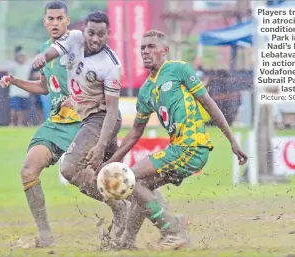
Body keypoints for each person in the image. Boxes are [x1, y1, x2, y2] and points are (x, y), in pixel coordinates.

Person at [98, 30, 248, 250]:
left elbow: (209, 103)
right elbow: (135, 132)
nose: (146, 51)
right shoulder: (146, 89)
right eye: (143, 48)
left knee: (132, 179)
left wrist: (232, 140)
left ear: (164, 50)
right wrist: (112, 162)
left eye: (151, 46)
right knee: (142, 184)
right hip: (178, 148)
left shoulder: (178, 69)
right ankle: (127, 242)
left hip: (192, 146)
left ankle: (173, 230)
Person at [32, 11, 129, 246]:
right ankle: (166, 219)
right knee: (115, 174)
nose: (95, 39)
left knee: (70, 168)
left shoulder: (111, 64)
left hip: (102, 120)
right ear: (83, 30)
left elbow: (112, 110)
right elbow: (52, 51)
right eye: (91, 33)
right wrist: (42, 57)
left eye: (101, 34)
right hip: (88, 118)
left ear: (109, 34)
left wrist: (101, 144)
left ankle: (118, 206)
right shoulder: (73, 39)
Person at [0, 1, 81, 248]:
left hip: (85, 122)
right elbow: (45, 87)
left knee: (97, 180)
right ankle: (45, 236)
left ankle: (132, 212)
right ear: (45, 22)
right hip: (57, 123)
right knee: (28, 170)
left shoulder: (78, 45)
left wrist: (82, 98)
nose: (55, 23)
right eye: (50, 19)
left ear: (68, 20)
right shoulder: (46, 49)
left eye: (59, 18)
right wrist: (16, 82)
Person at [8, 46, 32, 127]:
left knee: (23, 109)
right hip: (15, 91)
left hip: (24, 91)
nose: (22, 59)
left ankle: (20, 123)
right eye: (20, 57)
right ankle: (12, 123)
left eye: (23, 57)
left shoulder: (27, 67)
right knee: (15, 109)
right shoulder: (13, 67)